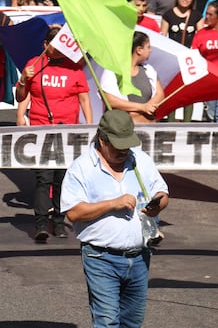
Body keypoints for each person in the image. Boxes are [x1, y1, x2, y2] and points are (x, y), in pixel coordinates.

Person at [60, 109, 169, 328]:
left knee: (132, 322)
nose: (124, 150)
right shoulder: (81, 168)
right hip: (101, 257)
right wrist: (112, 204)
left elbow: (162, 192)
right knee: (107, 321)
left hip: (140, 258)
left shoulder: (141, 161)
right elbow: (73, 212)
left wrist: (158, 205)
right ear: (102, 140)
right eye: (118, 145)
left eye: (128, 144)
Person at [16, 26, 93, 242]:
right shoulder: (33, 65)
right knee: (44, 178)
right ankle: (41, 222)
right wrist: (23, 79)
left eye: (62, 46)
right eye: (54, 46)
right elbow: (21, 95)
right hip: (41, 130)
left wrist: (88, 126)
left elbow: (84, 99)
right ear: (44, 45)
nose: (59, 50)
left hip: (67, 131)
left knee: (63, 178)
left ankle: (59, 221)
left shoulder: (75, 69)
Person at [101, 31, 165, 123]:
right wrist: (142, 107)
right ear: (139, 50)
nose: (150, 50)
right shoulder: (113, 71)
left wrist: (149, 105)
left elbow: (160, 94)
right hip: (122, 128)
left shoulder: (149, 70)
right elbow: (110, 100)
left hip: (148, 128)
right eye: (148, 47)